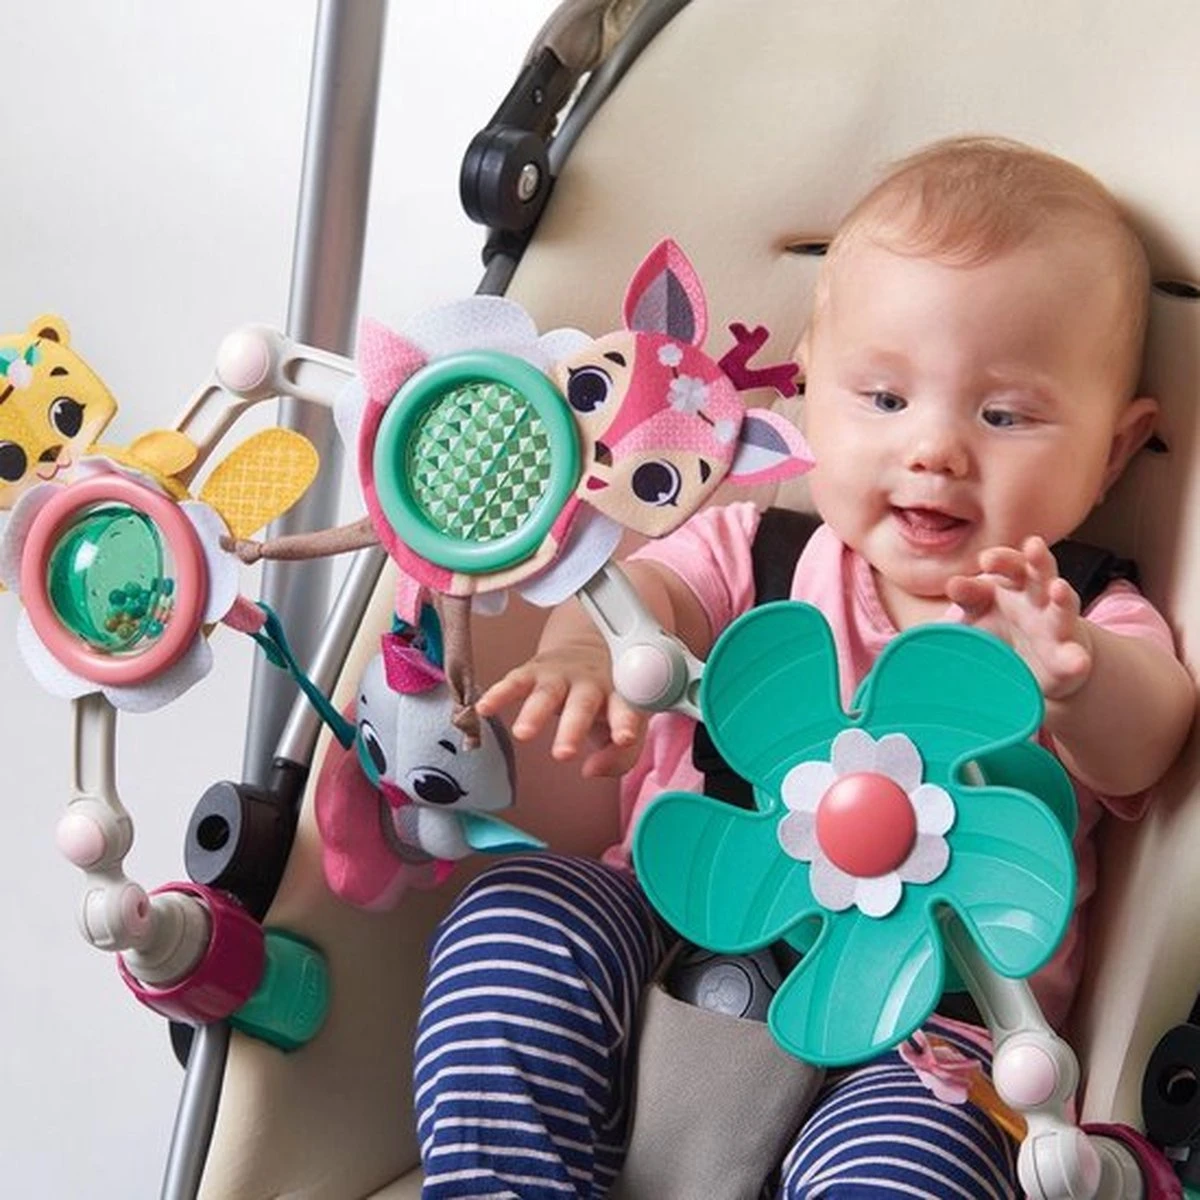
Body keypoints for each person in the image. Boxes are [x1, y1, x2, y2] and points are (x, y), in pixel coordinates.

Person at [412, 137, 1196, 1199]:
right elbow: (650, 599)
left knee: (920, 1162)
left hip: (929, 1031)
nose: (934, 450)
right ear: (808, 385)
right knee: (517, 916)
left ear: (1114, 450)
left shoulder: (1077, 613)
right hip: (668, 931)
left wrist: (1079, 680)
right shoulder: (755, 553)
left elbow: (1151, 740)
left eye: (1004, 416)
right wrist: (587, 655)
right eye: (884, 399)